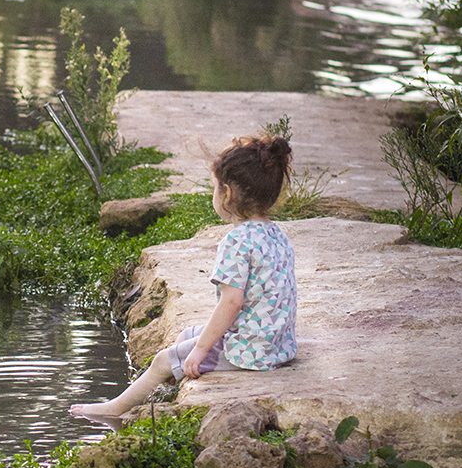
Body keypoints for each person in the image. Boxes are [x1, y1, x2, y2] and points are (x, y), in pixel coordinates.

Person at [69, 129, 297, 421]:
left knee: (165, 359)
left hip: (251, 352)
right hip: (276, 343)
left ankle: (114, 409)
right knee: (188, 333)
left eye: (214, 188)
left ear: (226, 193)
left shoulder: (237, 240)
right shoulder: (277, 234)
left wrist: (201, 351)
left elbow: (231, 303)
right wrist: (197, 342)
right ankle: (162, 385)